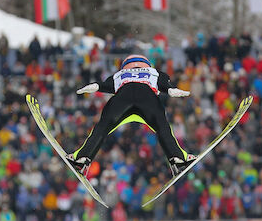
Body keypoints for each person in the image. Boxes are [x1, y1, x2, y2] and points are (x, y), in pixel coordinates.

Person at [67, 54, 197, 177]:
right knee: (162, 127)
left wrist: (95, 86)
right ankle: (177, 158)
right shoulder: (153, 72)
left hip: (123, 98)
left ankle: (82, 158)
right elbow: (164, 84)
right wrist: (170, 89)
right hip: (146, 97)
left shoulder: (120, 74)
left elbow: (104, 85)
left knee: (102, 127)